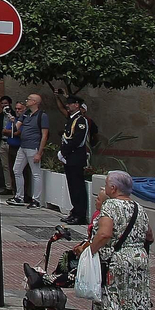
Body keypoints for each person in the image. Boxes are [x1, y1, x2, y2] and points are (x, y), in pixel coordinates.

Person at [79, 171, 152, 310]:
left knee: (113, 300)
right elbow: (149, 236)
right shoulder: (139, 207)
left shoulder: (110, 206)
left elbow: (104, 234)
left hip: (117, 260)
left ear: (113, 188)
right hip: (139, 258)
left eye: (107, 184)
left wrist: (90, 251)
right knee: (138, 300)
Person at [9, 92, 49, 209]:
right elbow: (16, 127)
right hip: (23, 146)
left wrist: (39, 152)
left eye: (29, 99)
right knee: (17, 169)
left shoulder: (42, 116)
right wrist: (12, 120)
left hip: (33, 147)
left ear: (35, 102)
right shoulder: (26, 113)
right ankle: (19, 196)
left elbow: (44, 135)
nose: (27, 101)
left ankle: (36, 200)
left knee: (35, 173)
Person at [60, 95, 92, 224]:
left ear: (77, 105)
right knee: (72, 186)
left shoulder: (80, 121)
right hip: (69, 157)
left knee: (78, 186)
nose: (68, 105)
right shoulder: (71, 119)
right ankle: (75, 211)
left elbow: (78, 140)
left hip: (76, 157)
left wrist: (65, 152)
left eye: (70, 103)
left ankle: (80, 214)